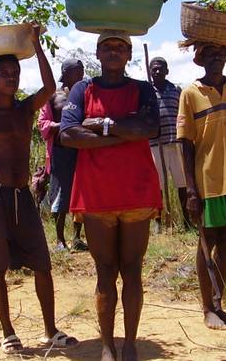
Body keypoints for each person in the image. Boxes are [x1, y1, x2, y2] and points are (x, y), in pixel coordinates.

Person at [0, 26, 78, 354]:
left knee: (42, 264)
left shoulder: (25, 109)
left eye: (15, 73)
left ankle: (50, 330)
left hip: (22, 197)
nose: (11, 78)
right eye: (4, 73)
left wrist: (36, 44)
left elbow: (48, 86)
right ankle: (8, 332)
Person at [60, 30, 162, 361]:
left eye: (120, 47)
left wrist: (100, 124)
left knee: (132, 269)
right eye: (108, 47)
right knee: (105, 271)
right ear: (98, 53)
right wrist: (122, 131)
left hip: (136, 193)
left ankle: (129, 343)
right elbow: (68, 134)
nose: (114, 51)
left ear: (129, 54)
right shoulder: (82, 89)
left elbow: (149, 128)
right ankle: (107, 346)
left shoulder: (142, 89)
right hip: (95, 194)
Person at [178, 42, 226, 330]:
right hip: (206, 181)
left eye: (221, 54)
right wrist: (190, 189)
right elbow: (185, 144)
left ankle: (219, 302)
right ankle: (207, 309)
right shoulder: (191, 93)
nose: (216, 59)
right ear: (200, 59)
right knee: (206, 242)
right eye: (210, 55)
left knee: (225, 242)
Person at [39, 58, 87, 251]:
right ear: (66, 73)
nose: (81, 74)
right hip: (61, 152)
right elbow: (42, 124)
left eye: (82, 70)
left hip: (82, 150)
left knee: (81, 194)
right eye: (77, 71)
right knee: (61, 195)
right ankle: (60, 240)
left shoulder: (85, 93)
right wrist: (65, 126)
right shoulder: (53, 97)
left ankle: (76, 238)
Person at [149, 57, 190, 230]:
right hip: (155, 144)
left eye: (160, 69)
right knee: (157, 185)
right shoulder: (147, 92)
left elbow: (183, 115)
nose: (157, 72)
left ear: (167, 71)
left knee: (182, 183)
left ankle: (187, 220)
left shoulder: (176, 90)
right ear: (150, 72)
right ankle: (158, 221)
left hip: (175, 142)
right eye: (154, 69)